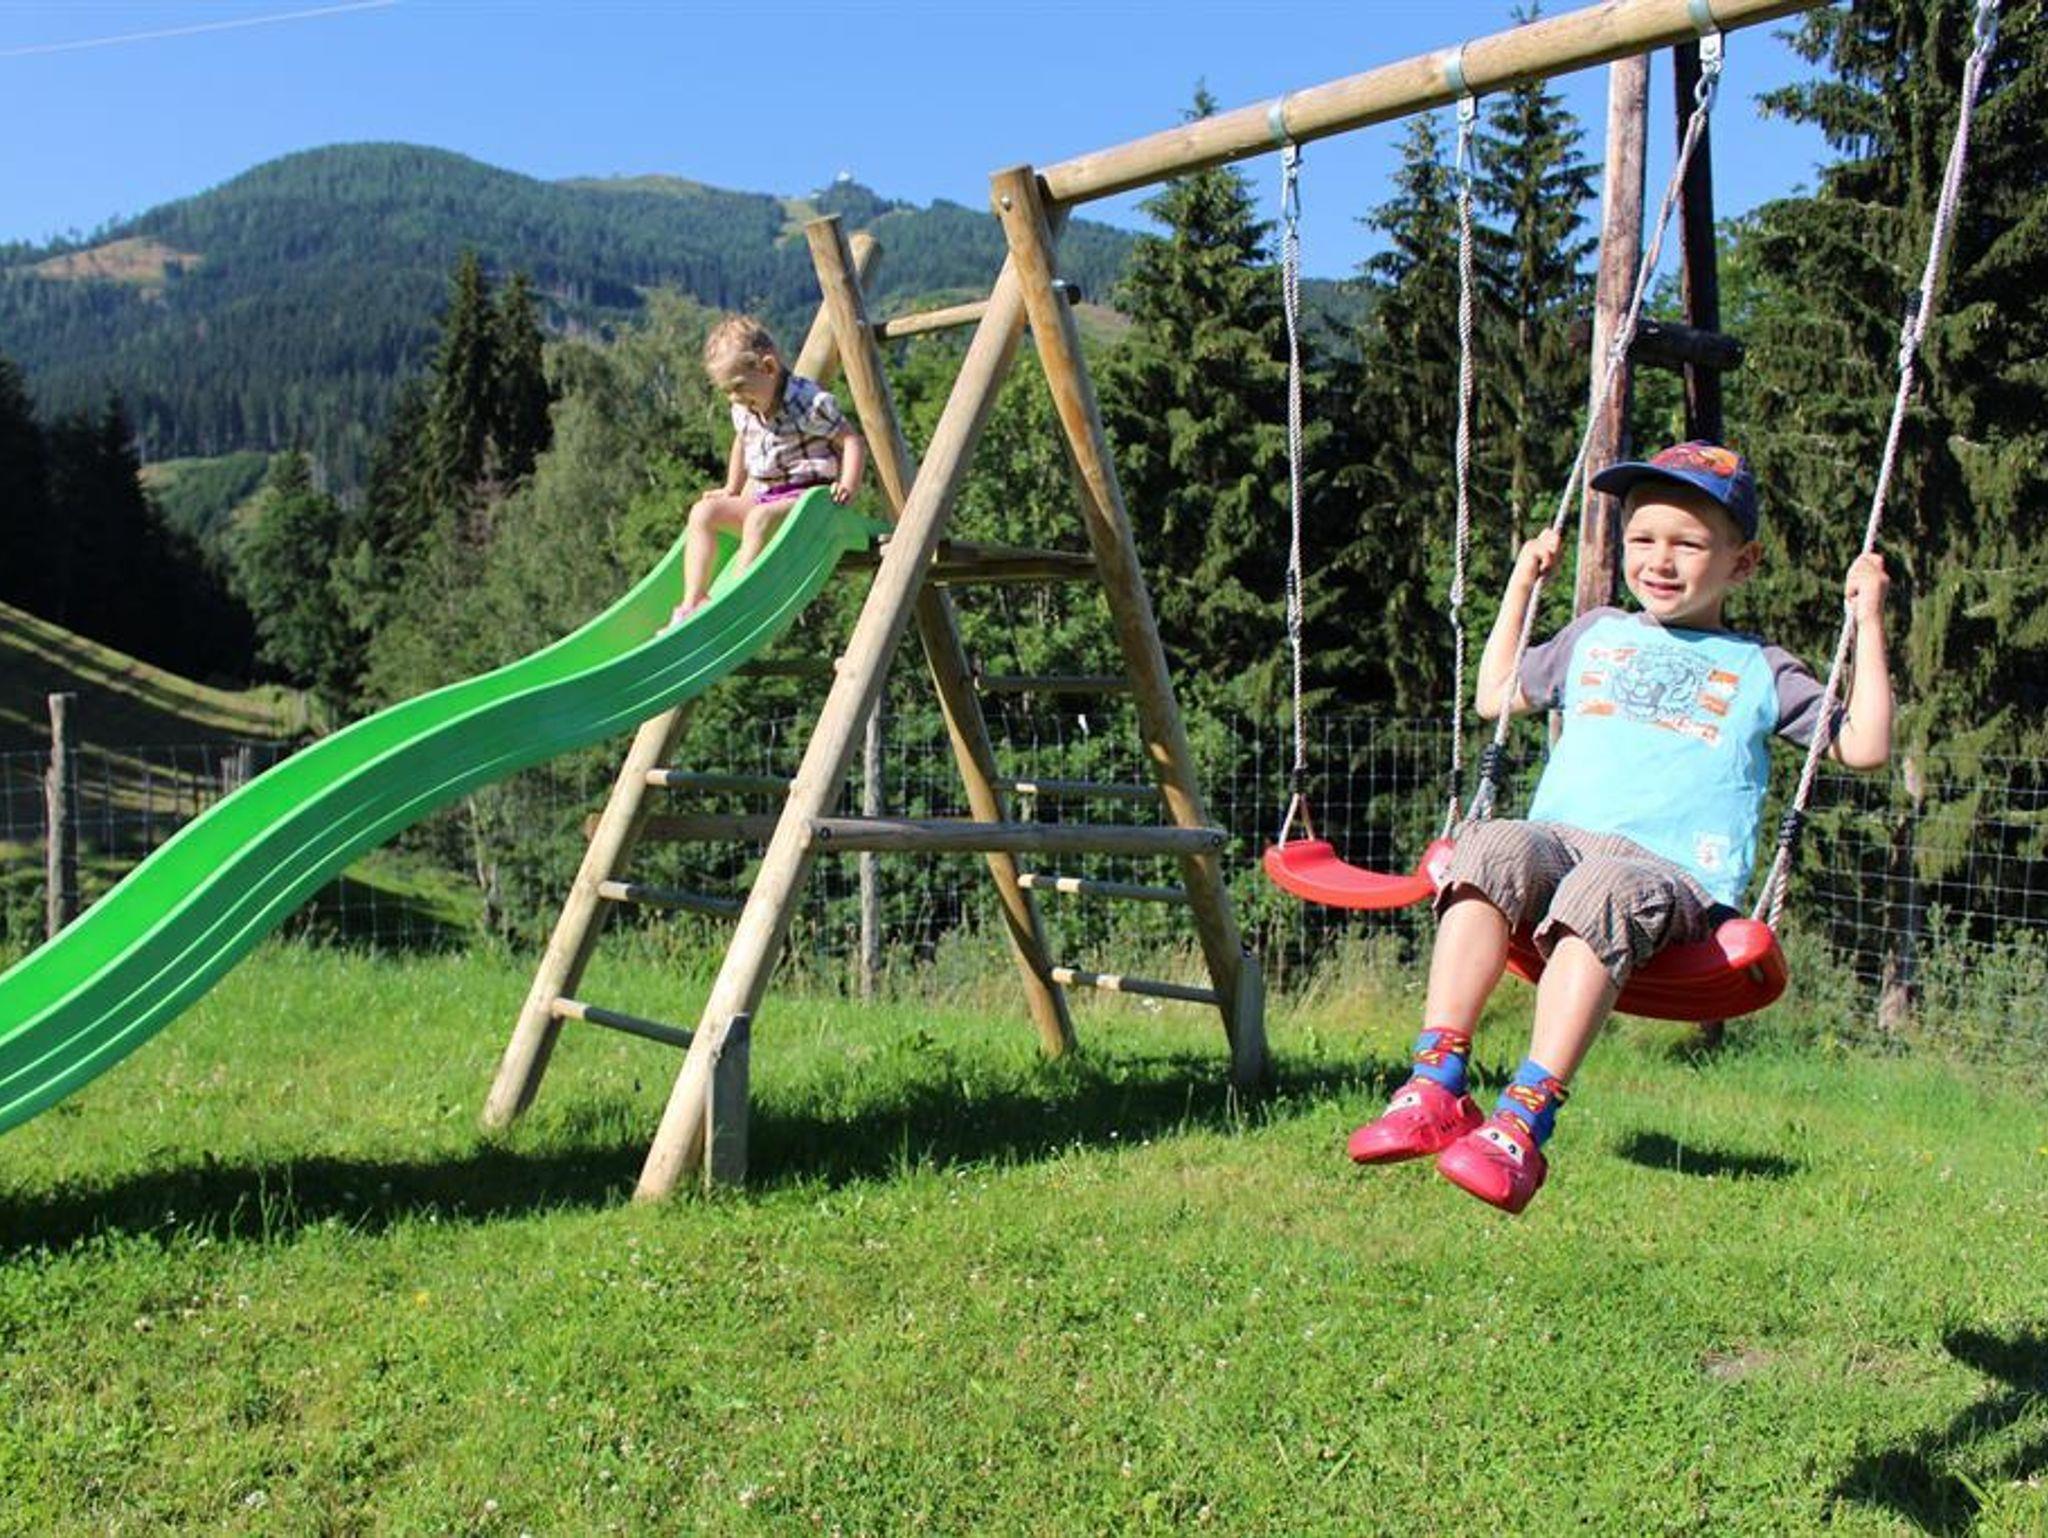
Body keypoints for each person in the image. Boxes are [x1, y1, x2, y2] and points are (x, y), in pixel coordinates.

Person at [1348, 441, 1893, 1214]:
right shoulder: (1595, 634)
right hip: (1559, 846)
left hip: (1670, 876)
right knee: (1488, 844)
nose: (1659, 560)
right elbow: (1496, 695)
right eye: (1642, 538)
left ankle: (1522, 1121)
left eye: (1688, 544)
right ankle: (1436, 1083)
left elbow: (1865, 745)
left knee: (1603, 887)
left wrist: (1867, 621)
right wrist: (1522, 583)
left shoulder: (1763, 670)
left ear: (1741, 564)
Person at [671, 315, 867, 625]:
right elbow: (742, 442)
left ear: (769, 367)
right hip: (768, 497)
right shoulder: (745, 408)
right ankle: (693, 600)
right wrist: (731, 488)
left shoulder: (807, 402)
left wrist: (848, 485)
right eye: (727, 391)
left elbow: (851, 440)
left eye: (739, 387)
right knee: (703, 512)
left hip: (809, 502)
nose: (735, 398)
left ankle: (735, 601)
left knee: (759, 519)